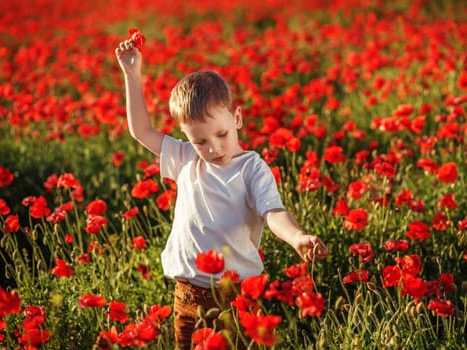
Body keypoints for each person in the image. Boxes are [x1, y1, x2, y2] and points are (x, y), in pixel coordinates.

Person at [115, 38, 328, 350]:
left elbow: (273, 212)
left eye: (221, 134)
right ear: (187, 138)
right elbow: (141, 131)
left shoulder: (252, 169)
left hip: (236, 295)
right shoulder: (186, 157)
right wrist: (132, 76)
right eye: (200, 141)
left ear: (237, 118)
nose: (212, 148)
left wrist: (296, 236)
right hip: (186, 293)